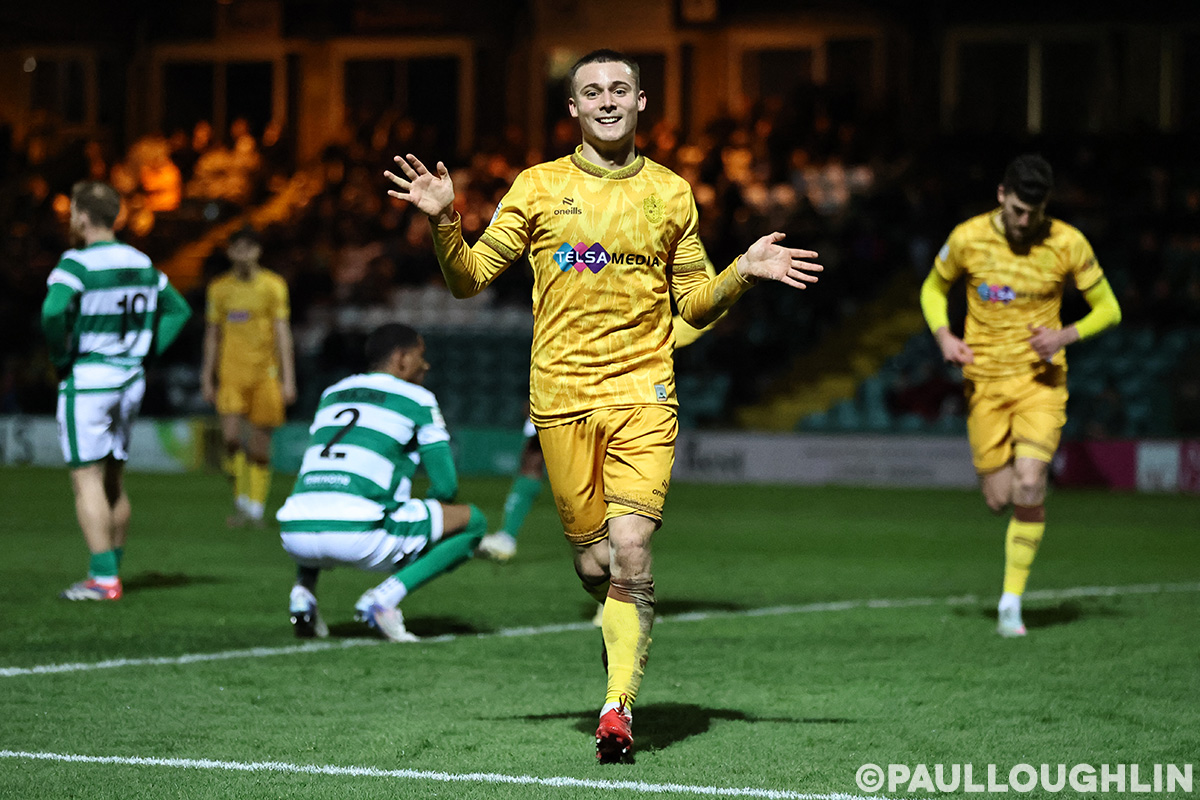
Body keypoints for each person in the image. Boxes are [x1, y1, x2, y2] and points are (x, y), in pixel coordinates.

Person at [385, 49, 822, 762]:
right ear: (574, 108)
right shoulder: (537, 187)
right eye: (593, 92)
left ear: (642, 101)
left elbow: (694, 304)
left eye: (621, 89)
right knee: (597, 568)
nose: (608, 101)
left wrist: (741, 273)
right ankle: (623, 619)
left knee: (631, 551)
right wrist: (444, 221)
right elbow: (468, 279)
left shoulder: (671, 193)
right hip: (561, 400)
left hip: (644, 394)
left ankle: (617, 710)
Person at [920, 154, 1122, 637]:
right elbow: (932, 290)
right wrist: (944, 336)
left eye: (1034, 212)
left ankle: (1011, 603)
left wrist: (1064, 336)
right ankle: (1017, 522)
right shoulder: (968, 238)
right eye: (1017, 210)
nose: (1024, 221)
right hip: (984, 383)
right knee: (999, 500)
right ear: (1001, 195)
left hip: (1040, 383)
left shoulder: (1068, 242)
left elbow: (1109, 308)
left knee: (1031, 485)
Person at [275, 323, 489, 643]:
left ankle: (303, 593)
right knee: (473, 522)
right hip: (358, 534)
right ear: (401, 358)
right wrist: (430, 517)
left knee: (327, 492)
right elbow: (446, 487)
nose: (426, 365)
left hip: (294, 532)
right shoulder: (418, 399)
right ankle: (383, 601)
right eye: (421, 355)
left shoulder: (332, 393)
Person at [41, 181, 192, 600]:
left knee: (86, 477)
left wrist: (60, 357)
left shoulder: (77, 263)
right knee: (113, 479)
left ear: (82, 216)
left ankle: (103, 579)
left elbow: (53, 310)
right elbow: (178, 310)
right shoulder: (141, 262)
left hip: (91, 379)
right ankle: (112, 569)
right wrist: (147, 354)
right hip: (130, 380)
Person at [477, 315, 718, 566]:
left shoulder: (630, 318)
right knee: (536, 455)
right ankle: (510, 537)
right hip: (570, 382)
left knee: (585, 469)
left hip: (594, 390)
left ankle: (609, 550)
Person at [201, 225, 297, 527]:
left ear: (258, 251)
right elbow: (212, 334)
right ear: (230, 252)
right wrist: (206, 377)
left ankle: (254, 508)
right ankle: (241, 501)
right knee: (231, 440)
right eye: (237, 248)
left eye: (249, 248)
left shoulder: (273, 286)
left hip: (265, 374)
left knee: (259, 445)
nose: (243, 254)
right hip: (231, 373)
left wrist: (288, 379)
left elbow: (282, 333)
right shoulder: (219, 288)